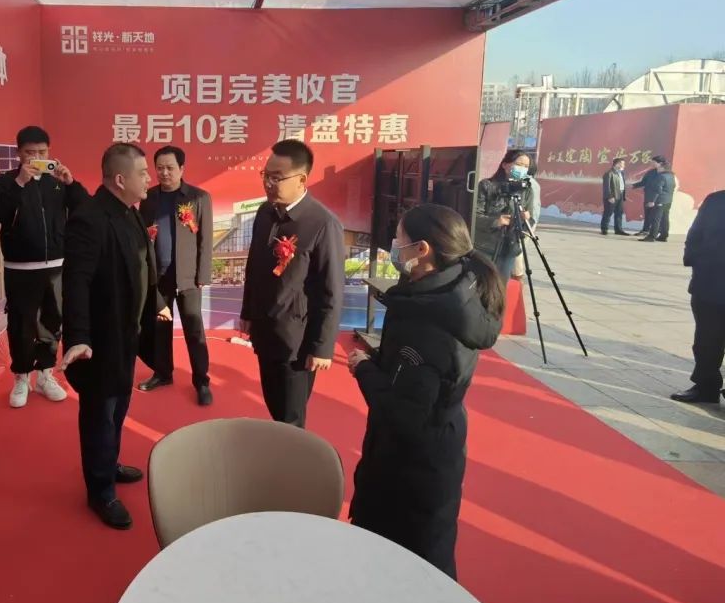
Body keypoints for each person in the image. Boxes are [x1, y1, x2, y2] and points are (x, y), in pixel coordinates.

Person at [347, 203, 503, 580]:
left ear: (422, 249)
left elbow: (405, 415)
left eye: (398, 240)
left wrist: (364, 369)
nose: (393, 247)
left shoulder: (427, 320)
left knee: (407, 569)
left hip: (410, 469)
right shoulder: (456, 288)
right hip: (438, 444)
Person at [59, 143, 169, 529]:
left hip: (127, 333)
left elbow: (142, 265)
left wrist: (156, 303)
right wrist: (78, 336)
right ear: (121, 179)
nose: (149, 178)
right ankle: (100, 491)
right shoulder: (89, 219)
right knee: (99, 416)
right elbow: (76, 282)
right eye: (143, 173)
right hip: (100, 340)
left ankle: (109, 463)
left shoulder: (130, 211)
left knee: (118, 407)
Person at [239, 139, 345, 428]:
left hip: (296, 340)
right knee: (273, 402)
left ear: (301, 179)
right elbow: (254, 266)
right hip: (264, 328)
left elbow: (332, 290)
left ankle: (290, 455)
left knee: (291, 416)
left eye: (277, 177)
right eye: (266, 175)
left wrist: (322, 347)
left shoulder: (323, 223)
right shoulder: (265, 212)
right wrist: (247, 312)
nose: (269, 183)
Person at [0, 126, 88, 408]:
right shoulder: (6, 181)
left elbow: (85, 209)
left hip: (56, 265)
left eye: (43, 152)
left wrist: (71, 183)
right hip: (19, 267)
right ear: (19, 153)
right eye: (31, 153)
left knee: (51, 322)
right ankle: (21, 377)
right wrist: (20, 182)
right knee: (20, 324)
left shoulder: (56, 181)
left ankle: (45, 374)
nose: (38, 158)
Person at [137, 146, 214, 405]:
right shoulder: (149, 197)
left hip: (188, 278)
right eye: (159, 168)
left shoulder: (198, 197)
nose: (164, 173)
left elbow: (205, 239)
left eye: (170, 168)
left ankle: (202, 381)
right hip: (159, 277)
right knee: (160, 329)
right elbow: (144, 238)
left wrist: (203, 274)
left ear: (182, 169)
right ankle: (163, 373)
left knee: (194, 330)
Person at [671, 191, 725, 403]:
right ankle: (706, 387)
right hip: (708, 282)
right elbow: (696, 233)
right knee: (705, 341)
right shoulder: (716, 200)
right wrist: (695, 260)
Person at [474, 149, 537, 284]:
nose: (522, 169)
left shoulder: (526, 190)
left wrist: (525, 219)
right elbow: (474, 216)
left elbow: (529, 222)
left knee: (500, 287)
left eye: (526, 166)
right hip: (484, 247)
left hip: (509, 248)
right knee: (480, 285)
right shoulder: (487, 185)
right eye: (518, 164)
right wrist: (496, 221)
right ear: (505, 164)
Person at [641, 157, 676, 242]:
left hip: (659, 201)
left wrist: (652, 201)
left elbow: (657, 190)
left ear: (662, 167)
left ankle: (651, 236)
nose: (657, 170)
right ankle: (663, 236)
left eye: (658, 168)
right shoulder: (671, 176)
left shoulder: (661, 176)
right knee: (665, 219)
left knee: (656, 219)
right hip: (668, 201)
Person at [632, 157, 663, 236]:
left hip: (658, 199)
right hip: (648, 197)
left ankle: (655, 233)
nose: (651, 163)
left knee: (655, 217)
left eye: (653, 162)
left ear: (660, 163)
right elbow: (643, 182)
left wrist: (653, 200)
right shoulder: (650, 172)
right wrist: (633, 185)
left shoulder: (664, 174)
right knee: (647, 215)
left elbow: (659, 188)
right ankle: (645, 230)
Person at [601, 157, 630, 236]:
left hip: (620, 195)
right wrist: (610, 196)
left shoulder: (621, 173)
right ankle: (604, 229)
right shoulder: (609, 173)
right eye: (622, 164)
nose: (624, 165)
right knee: (608, 213)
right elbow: (606, 187)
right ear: (617, 164)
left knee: (619, 213)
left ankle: (618, 230)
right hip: (612, 196)